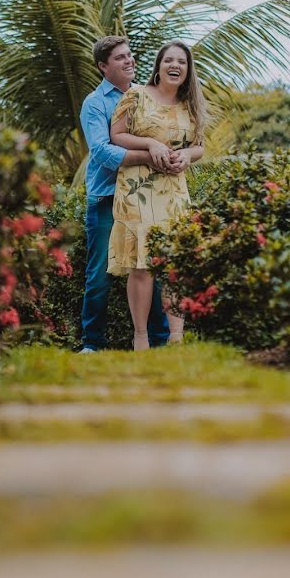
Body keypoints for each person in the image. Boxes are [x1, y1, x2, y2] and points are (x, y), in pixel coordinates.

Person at [107, 39, 207, 350]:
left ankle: (176, 339)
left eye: (182, 62)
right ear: (158, 67)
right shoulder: (136, 95)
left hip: (174, 191)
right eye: (169, 61)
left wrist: (188, 156)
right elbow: (116, 135)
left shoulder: (191, 105)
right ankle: (141, 338)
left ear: (188, 70)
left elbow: (200, 145)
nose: (175, 66)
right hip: (137, 189)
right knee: (142, 264)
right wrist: (151, 145)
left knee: (175, 262)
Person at [79, 36, 170, 353]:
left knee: (148, 268)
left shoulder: (143, 97)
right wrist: (149, 155)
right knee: (99, 275)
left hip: (142, 197)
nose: (129, 61)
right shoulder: (95, 103)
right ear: (103, 66)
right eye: (120, 58)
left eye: (129, 55)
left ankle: (160, 341)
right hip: (106, 198)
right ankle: (92, 344)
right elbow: (102, 152)